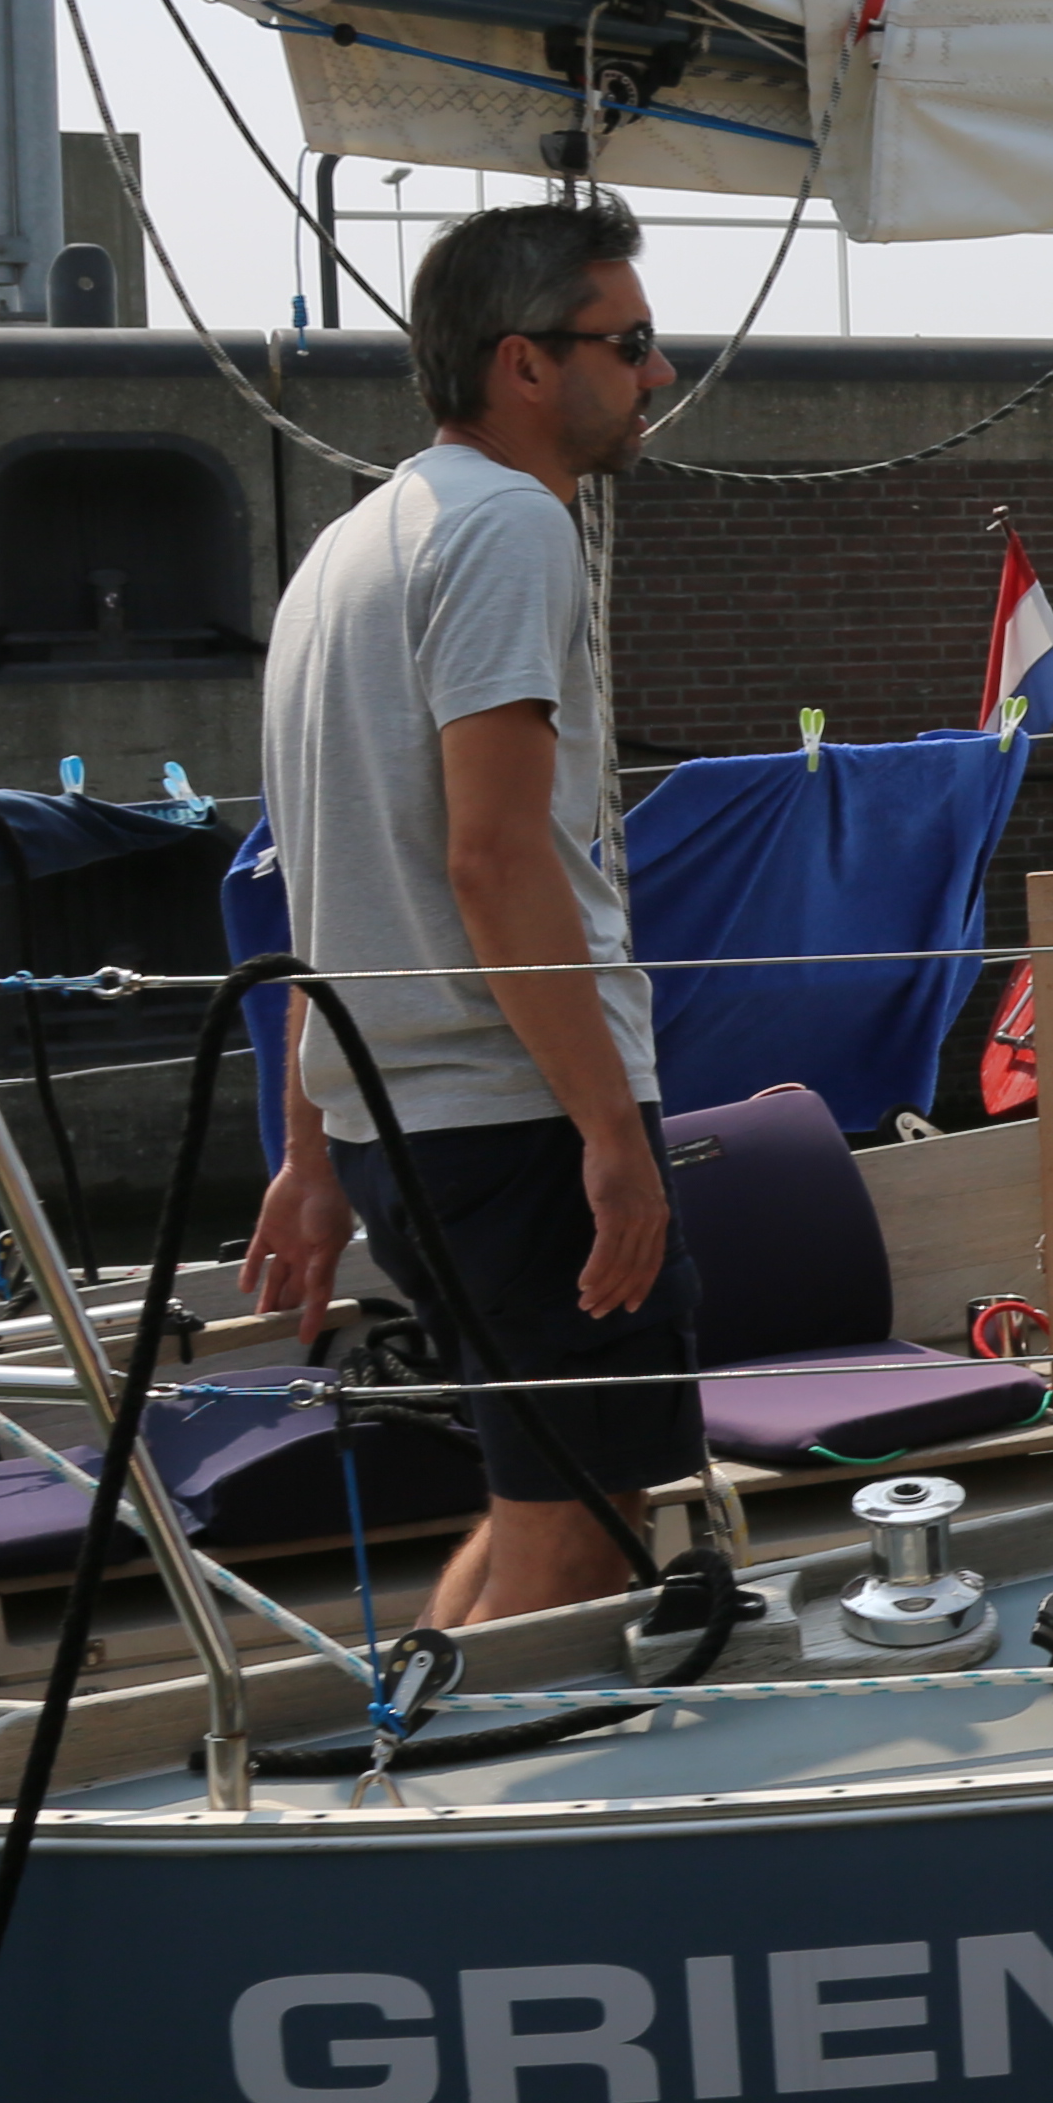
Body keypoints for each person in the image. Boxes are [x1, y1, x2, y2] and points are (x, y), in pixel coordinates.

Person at [237, 196, 700, 1625]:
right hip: (515, 1124)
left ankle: (432, 1722)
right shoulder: (510, 529)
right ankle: (494, 1763)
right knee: (586, 1536)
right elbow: (493, 860)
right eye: (629, 341)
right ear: (524, 363)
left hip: (400, 1131)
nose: (659, 372)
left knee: (538, 1492)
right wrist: (610, 1133)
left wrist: (314, 1150)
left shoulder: (347, 552)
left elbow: (320, 882)